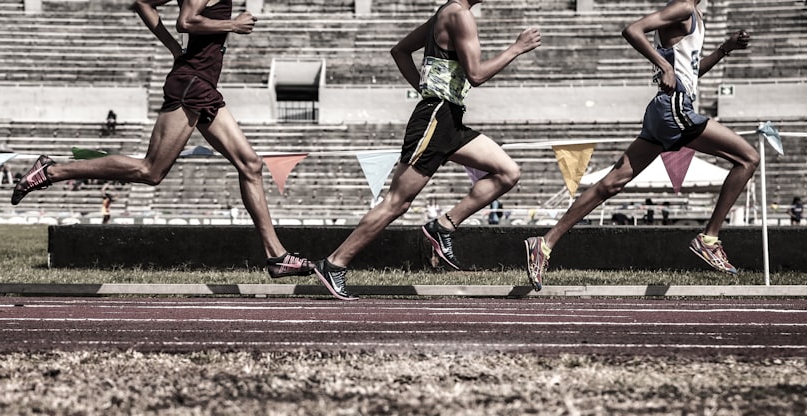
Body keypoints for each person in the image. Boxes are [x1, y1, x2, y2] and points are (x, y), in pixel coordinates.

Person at [10, 0, 313, 279]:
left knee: (251, 165)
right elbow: (187, 21)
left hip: (201, 85)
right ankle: (51, 171)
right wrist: (231, 25)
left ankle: (277, 256)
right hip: (191, 85)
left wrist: (174, 49)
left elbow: (143, 2)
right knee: (150, 170)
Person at [312, 0, 541, 300]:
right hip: (436, 118)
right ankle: (334, 263)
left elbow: (400, 51)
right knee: (397, 202)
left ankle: (442, 226)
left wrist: (425, 88)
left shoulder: (444, 14)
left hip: (451, 120)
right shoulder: (460, 14)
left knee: (508, 172)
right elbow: (477, 75)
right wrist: (516, 48)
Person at [523, 0, 758, 290]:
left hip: (666, 108)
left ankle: (544, 243)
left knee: (610, 184)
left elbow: (690, 73)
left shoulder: (695, 14)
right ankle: (708, 239)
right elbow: (632, 30)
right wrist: (662, 66)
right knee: (748, 158)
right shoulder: (683, 8)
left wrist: (724, 49)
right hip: (674, 107)